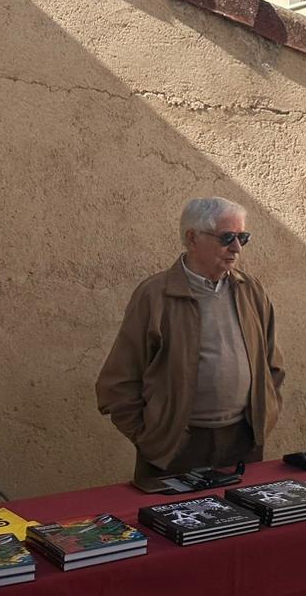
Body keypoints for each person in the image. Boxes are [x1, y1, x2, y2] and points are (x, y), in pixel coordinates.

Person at [97, 197, 284, 481]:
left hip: (242, 441)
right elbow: (119, 382)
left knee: (240, 523)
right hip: (176, 447)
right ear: (192, 238)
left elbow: (273, 367)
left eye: (242, 237)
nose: (236, 248)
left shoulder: (251, 291)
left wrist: (263, 418)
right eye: (227, 238)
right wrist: (152, 437)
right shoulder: (155, 295)